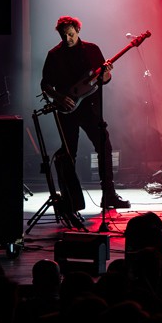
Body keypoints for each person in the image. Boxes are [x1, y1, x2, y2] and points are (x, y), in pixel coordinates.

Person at [40, 15, 129, 210]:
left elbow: (103, 79)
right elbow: (45, 84)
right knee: (69, 154)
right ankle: (71, 199)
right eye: (64, 36)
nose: (68, 39)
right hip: (67, 111)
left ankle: (109, 196)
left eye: (71, 34)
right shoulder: (54, 55)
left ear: (78, 30)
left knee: (104, 147)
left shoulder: (92, 49)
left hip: (91, 109)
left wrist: (107, 74)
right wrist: (60, 98)